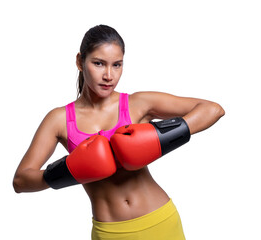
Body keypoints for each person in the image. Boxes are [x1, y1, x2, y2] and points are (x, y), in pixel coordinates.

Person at [13, 25, 225, 239]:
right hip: (110, 232)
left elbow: (212, 110)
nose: (108, 75)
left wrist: (156, 140)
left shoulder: (138, 103)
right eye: (98, 63)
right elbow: (21, 181)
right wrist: (70, 171)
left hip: (160, 220)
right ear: (80, 61)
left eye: (117, 65)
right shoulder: (59, 119)